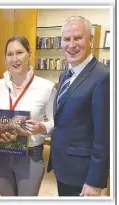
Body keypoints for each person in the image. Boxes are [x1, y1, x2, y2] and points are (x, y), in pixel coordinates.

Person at [47, 16, 110, 196]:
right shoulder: (65, 74)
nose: (71, 45)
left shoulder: (103, 77)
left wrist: (94, 180)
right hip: (63, 168)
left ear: (91, 40)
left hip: (83, 175)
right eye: (67, 39)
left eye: (78, 38)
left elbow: (104, 135)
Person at [0, 35, 56, 196]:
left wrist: (42, 127)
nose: (14, 59)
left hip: (29, 156)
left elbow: (56, 121)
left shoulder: (46, 87)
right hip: (1, 155)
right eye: (9, 54)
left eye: (19, 52)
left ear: (29, 54)